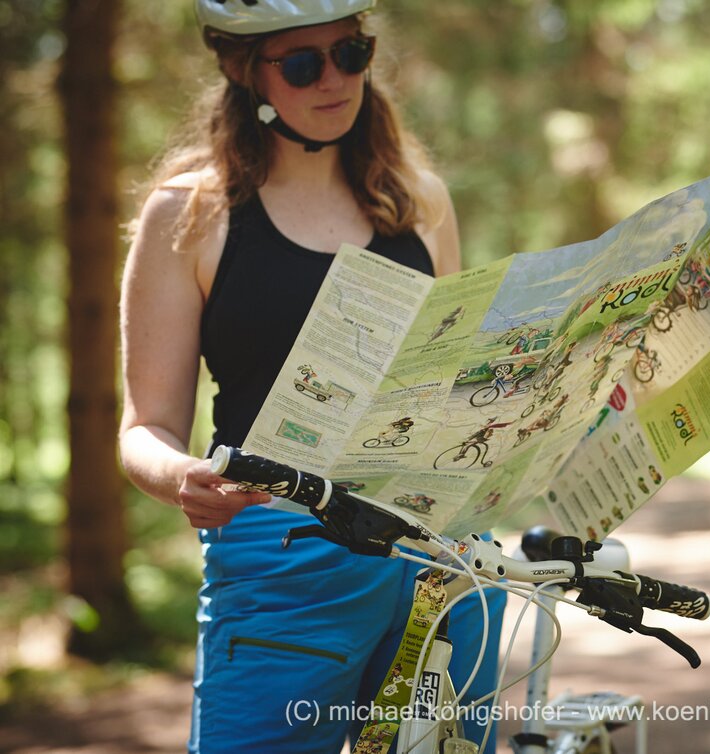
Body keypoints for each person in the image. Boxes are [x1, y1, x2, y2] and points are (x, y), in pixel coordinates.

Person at [117, 2, 505, 751]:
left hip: (442, 556)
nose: (334, 79)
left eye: (351, 53)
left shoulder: (419, 201)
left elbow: (455, 386)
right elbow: (144, 426)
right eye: (302, 63)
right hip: (285, 559)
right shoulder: (190, 213)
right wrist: (180, 476)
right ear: (241, 68)